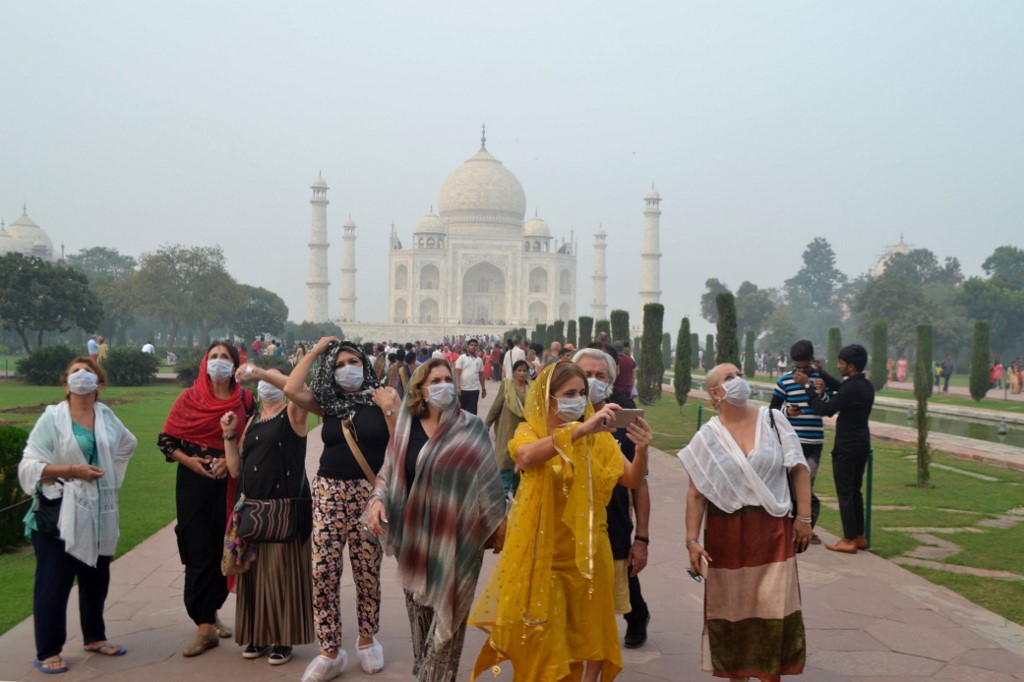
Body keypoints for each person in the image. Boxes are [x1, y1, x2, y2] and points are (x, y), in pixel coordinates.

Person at [469, 361, 651, 681]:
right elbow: (525, 457)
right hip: (544, 563)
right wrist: (580, 429)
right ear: (547, 398)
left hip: (591, 561)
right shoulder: (531, 431)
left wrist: (643, 450)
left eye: (582, 394)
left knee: (588, 643)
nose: (579, 400)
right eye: (570, 393)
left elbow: (632, 479)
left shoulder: (601, 439)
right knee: (545, 652)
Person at [365, 358, 506, 681]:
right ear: (420, 390)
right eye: (436, 380)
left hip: (456, 542)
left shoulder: (471, 427)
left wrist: (498, 522)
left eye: (447, 379)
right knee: (422, 631)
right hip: (414, 543)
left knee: (447, 633)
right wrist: (376, 502)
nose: (444, 385)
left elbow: (489, 481)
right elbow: (388, 474)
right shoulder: (406, 425)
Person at [678, 363, 811, 681]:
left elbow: (799, 468)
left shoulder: (772, 419)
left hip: (773, 534)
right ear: (714, 394)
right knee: (732, 615)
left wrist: (804, 518)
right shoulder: (708, 436)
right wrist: (692, 541)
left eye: (738, 374)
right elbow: (696, 494)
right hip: (727, 538)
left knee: (773, 613)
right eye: (728, 378)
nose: (738, 380)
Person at [285, 338, 400, 680]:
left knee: (367, 572)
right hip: (328, 493)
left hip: (369, 495)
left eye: (352, 361)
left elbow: (400, 445)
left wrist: (391, 408)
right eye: (337, 364)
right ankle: (329, 649)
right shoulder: (330, 403)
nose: (345, 368)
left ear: (365, 364)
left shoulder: (383, 398)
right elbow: (292, 388)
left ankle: (367, 639)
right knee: (323, 572)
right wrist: (316, 352)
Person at [18, 357, 137, 674]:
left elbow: (128, 443)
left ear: (100, 384)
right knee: (53, 584)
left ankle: (94, 637)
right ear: (65, 383)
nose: (81, 376)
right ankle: (48, 650)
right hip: (58, 515)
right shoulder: (53, 419)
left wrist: (110, 475)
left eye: (89, 373)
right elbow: (29, 465)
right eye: (74, 372)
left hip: (98, 513)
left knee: (96, 579)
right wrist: (72, 471)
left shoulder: (105, 415)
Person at [158, 341, 254, 657]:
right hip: (194, 483)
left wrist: (231, 459)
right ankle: (203, 626)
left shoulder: (245, 399)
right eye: (213, 357)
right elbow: (167, 441)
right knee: (198, 548)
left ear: (234, 362)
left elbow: (253, 440)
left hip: (229, 482)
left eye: (224, 357)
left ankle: (211, 612)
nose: (218, 362)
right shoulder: (191, 398)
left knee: (223, 548)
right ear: (204, 362)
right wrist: (191, 462)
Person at [221, 364, 314, 666]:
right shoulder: (253, 420)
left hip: (284, 510)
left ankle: (283, 639)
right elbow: (236, 469)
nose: (265, 383)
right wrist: (228, 435)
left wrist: (261, 372)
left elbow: (299, 391)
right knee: (255, 577)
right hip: (253, 508)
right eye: (262, 379)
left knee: (282, 575)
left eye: (272, 377)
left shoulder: (294, 415)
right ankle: (258, 635)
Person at [574, 347, 654, 650]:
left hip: (613, 517)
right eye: (586, 375)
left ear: (611, 381)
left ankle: (637, 616)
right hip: (571, 520)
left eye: (600, 376)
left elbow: (639, 483)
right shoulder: (558, 417)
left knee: (622, 573)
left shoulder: (623, 417)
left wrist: (642, 538)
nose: (592, 381)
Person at [800, 344, 875, 554]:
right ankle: (859, 536)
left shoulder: (851, 388)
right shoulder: (866, 385)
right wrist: (823, 374)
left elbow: (826, 409)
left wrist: (808, 387)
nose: (838, 366)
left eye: (840, 363)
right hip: (861, 443)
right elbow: (842, 389)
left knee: (845, 493)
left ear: (850, 366)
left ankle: (849, 539)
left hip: (847, 447)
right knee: (854, 491)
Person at [769, 340, 831, 543]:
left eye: (805, 367)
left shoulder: (820, 381)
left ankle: (806, 528)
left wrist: (822, 393)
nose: (801, 371)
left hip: (814, 442)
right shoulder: (785, 381)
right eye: (798, 366)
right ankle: (788, 526)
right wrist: (788, 411)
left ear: (812, 362)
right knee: (787, 484)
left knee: (807, 485)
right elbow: (773, 410)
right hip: (791, 442)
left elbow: (828, 409)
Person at [484, 358, 531, 496]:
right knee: (505, 458)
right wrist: (487, 423)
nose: (522, 373)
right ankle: (503, 493)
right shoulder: (507, 386)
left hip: (525, 429)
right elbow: (496, 406)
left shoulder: (532, 387)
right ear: (514, 372)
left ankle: (517, 491)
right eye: (519, 370)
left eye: (524, 370)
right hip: (507, 427)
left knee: (521, 457)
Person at [455, 338, 486, 415]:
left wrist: (483, 389)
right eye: (471, 345)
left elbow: (481, 375)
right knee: (461, 411)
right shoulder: (462, 358)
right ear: (467, 346)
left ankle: (472, 427)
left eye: (475, 345)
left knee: (472, 412)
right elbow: (457, 373)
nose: (473, 347)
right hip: (463, 389)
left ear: (477, 347)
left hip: (474, 390)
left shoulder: (479, 360)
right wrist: (458, 387)